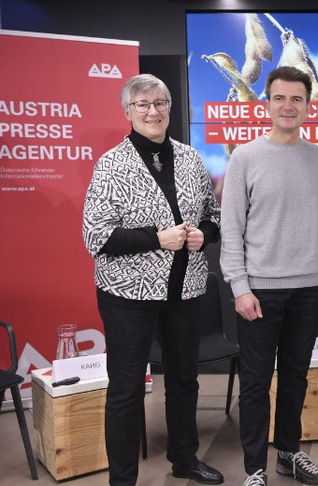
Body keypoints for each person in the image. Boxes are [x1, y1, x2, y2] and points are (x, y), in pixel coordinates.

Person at [82, 73, 223, 486]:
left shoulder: (191, 158)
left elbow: (212, 217)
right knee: (125, 391)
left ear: (170, 108)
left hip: (184, 290)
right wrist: (155, 239)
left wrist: (204, 235)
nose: (152, 111)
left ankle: (185, 459)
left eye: (159, 103)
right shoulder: (110, 164)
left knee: (184, 379)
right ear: (127, 112)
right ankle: (122, 479)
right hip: (128, 295)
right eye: (142, 104)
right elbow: (96, 236)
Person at [220, 66, 318, 486]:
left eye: (297, 99)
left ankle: (288, 452)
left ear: (306, 105)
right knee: (255, 381)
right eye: (280, 98)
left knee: (297, 376)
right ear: (266, 103)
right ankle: (254, 469)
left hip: (309, 285)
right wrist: (240, 286)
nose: (288, 106)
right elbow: (232, 227)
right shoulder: (245, 157)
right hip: (260, 290)